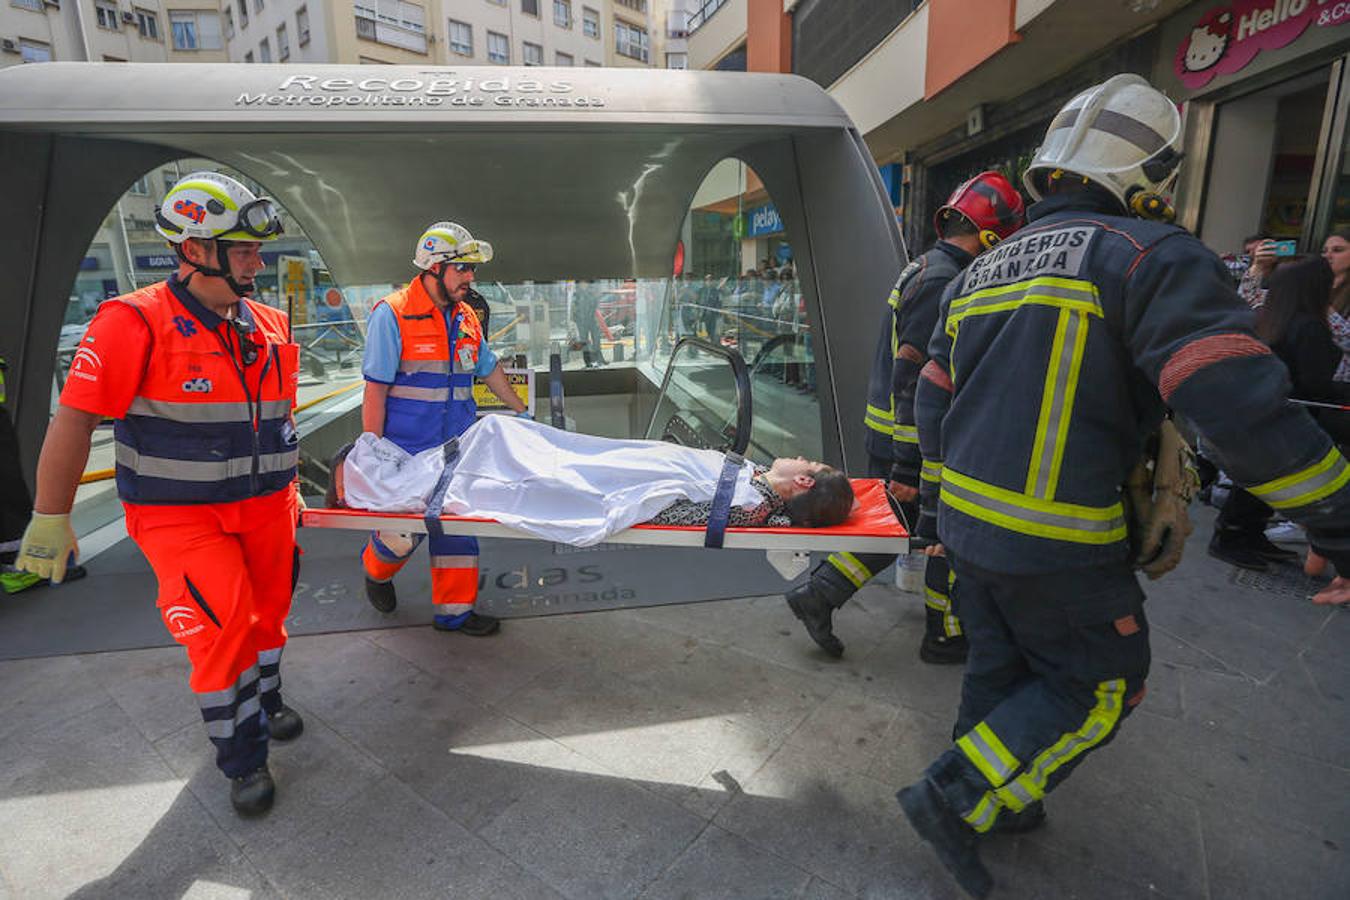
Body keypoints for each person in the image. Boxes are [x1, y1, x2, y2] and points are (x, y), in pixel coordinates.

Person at [899, 75, 1350, 899]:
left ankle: (1004, 797)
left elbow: (930, 395)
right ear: (1149, 180)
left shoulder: (983, 270)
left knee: (999, 668)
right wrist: (1340, 525)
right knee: (1104, 683)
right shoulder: (1153, 256)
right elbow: (1236, 405)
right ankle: (955, 797)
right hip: (1061, 543)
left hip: (969, 530)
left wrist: (936, 509)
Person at [15, 172, 304, 817]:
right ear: (197, 250)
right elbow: (74, 419)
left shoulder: (273, 322)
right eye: (244, 249)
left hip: (269, 506)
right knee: (220, 628)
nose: (259, 261)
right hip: (181, 516)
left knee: (267, 615)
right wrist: (50, 515)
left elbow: (279, 416)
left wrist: (293, 488)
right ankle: (243, 755)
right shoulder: (131, 322)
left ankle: (269, 698)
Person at [784, 171, 1025, 661]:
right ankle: (943, 634)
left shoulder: (926, 267)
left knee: (898, 528)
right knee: (938, 532)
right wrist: (909, 467)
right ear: (992, 235)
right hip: (911, 442)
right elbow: (914, 376)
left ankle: (821, 595)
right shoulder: (944, 280)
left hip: (898, 437)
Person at [359, 221, 529, 637]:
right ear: (434, 268)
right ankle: (375, 572)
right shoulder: (392, 313)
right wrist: (373, 450)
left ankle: (454, 613)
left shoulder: (467, 316)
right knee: (401, 538)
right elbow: (375, 390)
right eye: (462, 269)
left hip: (457, 448)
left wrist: (522, 414)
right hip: (406, 452)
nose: (470, 278)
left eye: (472, 270)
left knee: (458, 531)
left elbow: (488, 368)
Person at [327, 417, 855, 545]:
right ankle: (383, 476)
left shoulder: (745, 501)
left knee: (498, 452)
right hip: (613, 464)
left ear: (803, 484)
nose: (798, 455)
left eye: (807, 462)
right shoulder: (751, 483)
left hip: (600, 481)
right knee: (498, 433)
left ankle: (366, 484)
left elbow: (655, 502)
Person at [1210, 257, 1350, 569]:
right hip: (1290, 417)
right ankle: (1236, 536)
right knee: (1268, 483)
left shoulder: (1269, 319)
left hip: (1261, 412)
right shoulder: (1310, 327)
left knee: (1259, 481)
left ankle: (1241, 534)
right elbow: (1317, 384)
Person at [571, 279, 607, 368]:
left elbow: (595, 303)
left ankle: (599, 358)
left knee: (596, 338)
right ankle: (587, 361)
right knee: (584, 341)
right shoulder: (576, 294)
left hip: (591, 318)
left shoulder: (591, 291)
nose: (584, 284)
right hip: (581, 320)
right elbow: (574, 308)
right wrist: (575, 319)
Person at [698, 273, 723, 344]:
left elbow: (719, 302)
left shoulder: (716, 291)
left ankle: (714, 345)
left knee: (713, 331)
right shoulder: (702, 290)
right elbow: (699, 301)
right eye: (707, 280)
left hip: (713, 315)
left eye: (710, 280)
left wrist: (718, 312)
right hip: (704, 314)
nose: (709, 281)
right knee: (706, 330)